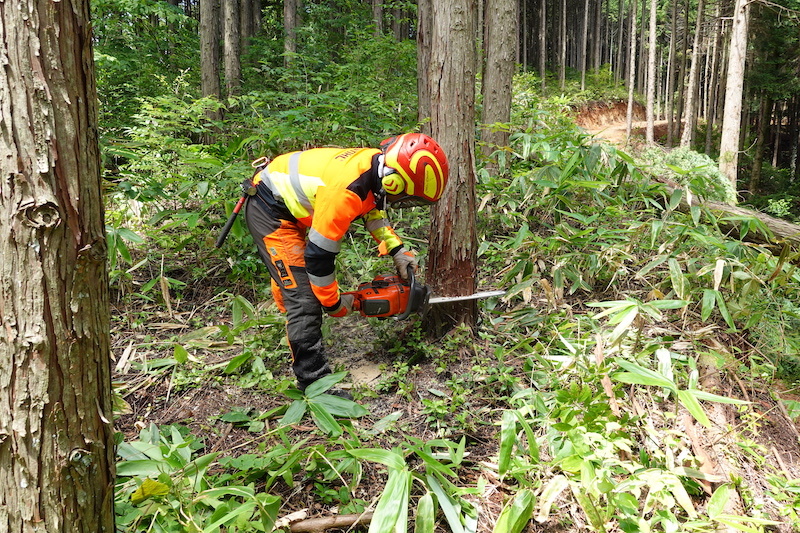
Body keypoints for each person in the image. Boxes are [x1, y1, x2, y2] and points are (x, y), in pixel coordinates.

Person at [242, 133, 449, 398]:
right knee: (304, 300)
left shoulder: (373, 168)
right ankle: (314, 386)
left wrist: (397, 250)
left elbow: (374, 213)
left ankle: (298, 332)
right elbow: (318, 257)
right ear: (394, 181)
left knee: (298, 292)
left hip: (292, 207)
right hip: (270, 210)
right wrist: (333, 304)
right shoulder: (347, 189)